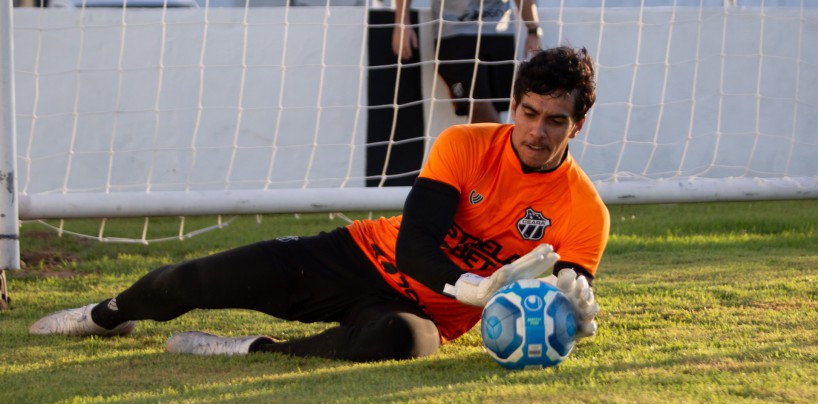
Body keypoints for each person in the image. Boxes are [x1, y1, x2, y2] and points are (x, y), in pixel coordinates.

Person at [30, 46, 609, 363]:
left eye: (554, 120)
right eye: (529, 113)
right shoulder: (464, 145)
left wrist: (575, 312)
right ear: (514, 106)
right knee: (193, 280)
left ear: (576, 126)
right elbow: (413, 243)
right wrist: (472, 286)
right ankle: (105, 316)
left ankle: (251, 349)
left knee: (402, 343)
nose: (536, 131)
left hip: (425, 314)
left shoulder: (586, 211)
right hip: (356, 256)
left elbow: (569, 286)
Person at [392, 0, 542, 124]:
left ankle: (491, 157)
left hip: (499, 34)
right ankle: (505, 155)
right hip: (456, 35)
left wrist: (533, 30)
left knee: (495, 107)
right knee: (479, 106)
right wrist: (402, 23)